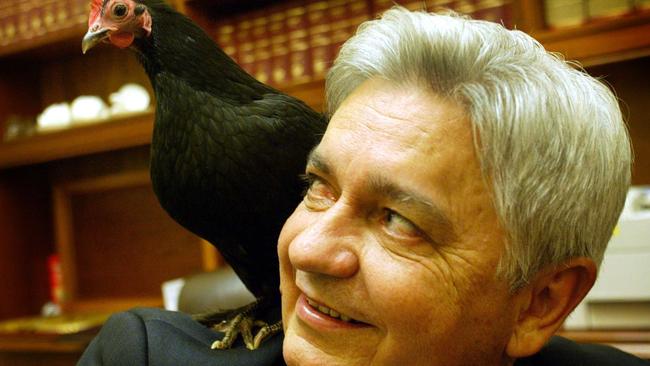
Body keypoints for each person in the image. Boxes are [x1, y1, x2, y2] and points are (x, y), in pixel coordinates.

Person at [79, 7, 648, 366]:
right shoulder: (142, 355)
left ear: (541, 302)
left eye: (398, 220)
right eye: (315, 186)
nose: (302, 248)